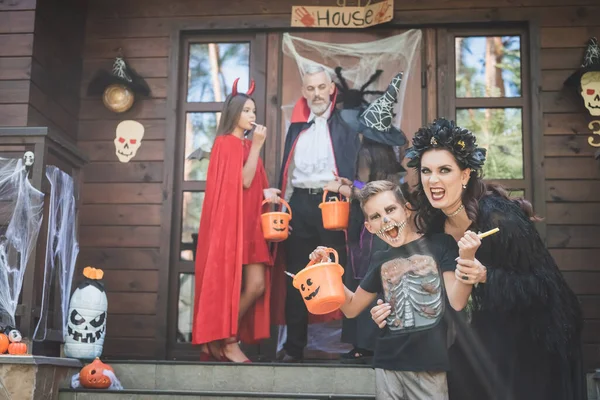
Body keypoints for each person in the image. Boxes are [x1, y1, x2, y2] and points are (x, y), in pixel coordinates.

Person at [371, 118, 585, 399]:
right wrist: (390, 311)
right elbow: (430, 289)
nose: (433, 180)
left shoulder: (500, 218)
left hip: (531, 341)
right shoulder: (434, 225)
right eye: (426, 171)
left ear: (465, 175)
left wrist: (486, 276)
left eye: (444, 170)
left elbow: (544, 288)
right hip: (474, 338)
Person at [310, 180, 480, 400]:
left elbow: (457, 301)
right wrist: (327, 270)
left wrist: (467, 257)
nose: (386, 219)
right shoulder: (380, 259)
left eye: (390, 209)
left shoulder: (441, 245)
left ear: (407, 209)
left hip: (428, 364)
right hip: (387, 363)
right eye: (376, 216)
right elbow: (351, 308)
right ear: (369, 227)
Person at [274, 64, 361, 362]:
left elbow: (359, 173)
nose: (316, 94)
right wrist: (282, 210)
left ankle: (353, 343)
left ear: (331, 88)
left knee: (341, 271)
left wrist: (351, 186)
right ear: (303, 92)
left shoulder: (346, 125)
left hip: (333, 204)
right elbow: (288, 171)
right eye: (310, 88)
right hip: (299, 204)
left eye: (321, 87)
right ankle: (293, 348)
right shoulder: (296, 126)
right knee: (298, 275)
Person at [192, 79, 281, 363]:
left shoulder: (244, 145)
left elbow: (252, 183)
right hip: (233, 228)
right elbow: (242, 181)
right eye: (246, 111)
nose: (253, 116)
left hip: (251, 224)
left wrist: (268, 192)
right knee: (228, 283)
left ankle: (220, 337)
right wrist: (256, 146)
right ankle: (228, 341)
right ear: (234, 114)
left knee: (257, 285)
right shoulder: (226, 143)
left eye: (254, 111)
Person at [324, 72, 407, 363]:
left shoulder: (364, 154)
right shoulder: (390, 156)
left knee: (363, 281)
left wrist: (343, 187)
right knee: (383, 283)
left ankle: (361, 344)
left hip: (367, 228)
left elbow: (365, 191)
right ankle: (379, 341)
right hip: (390, 228)